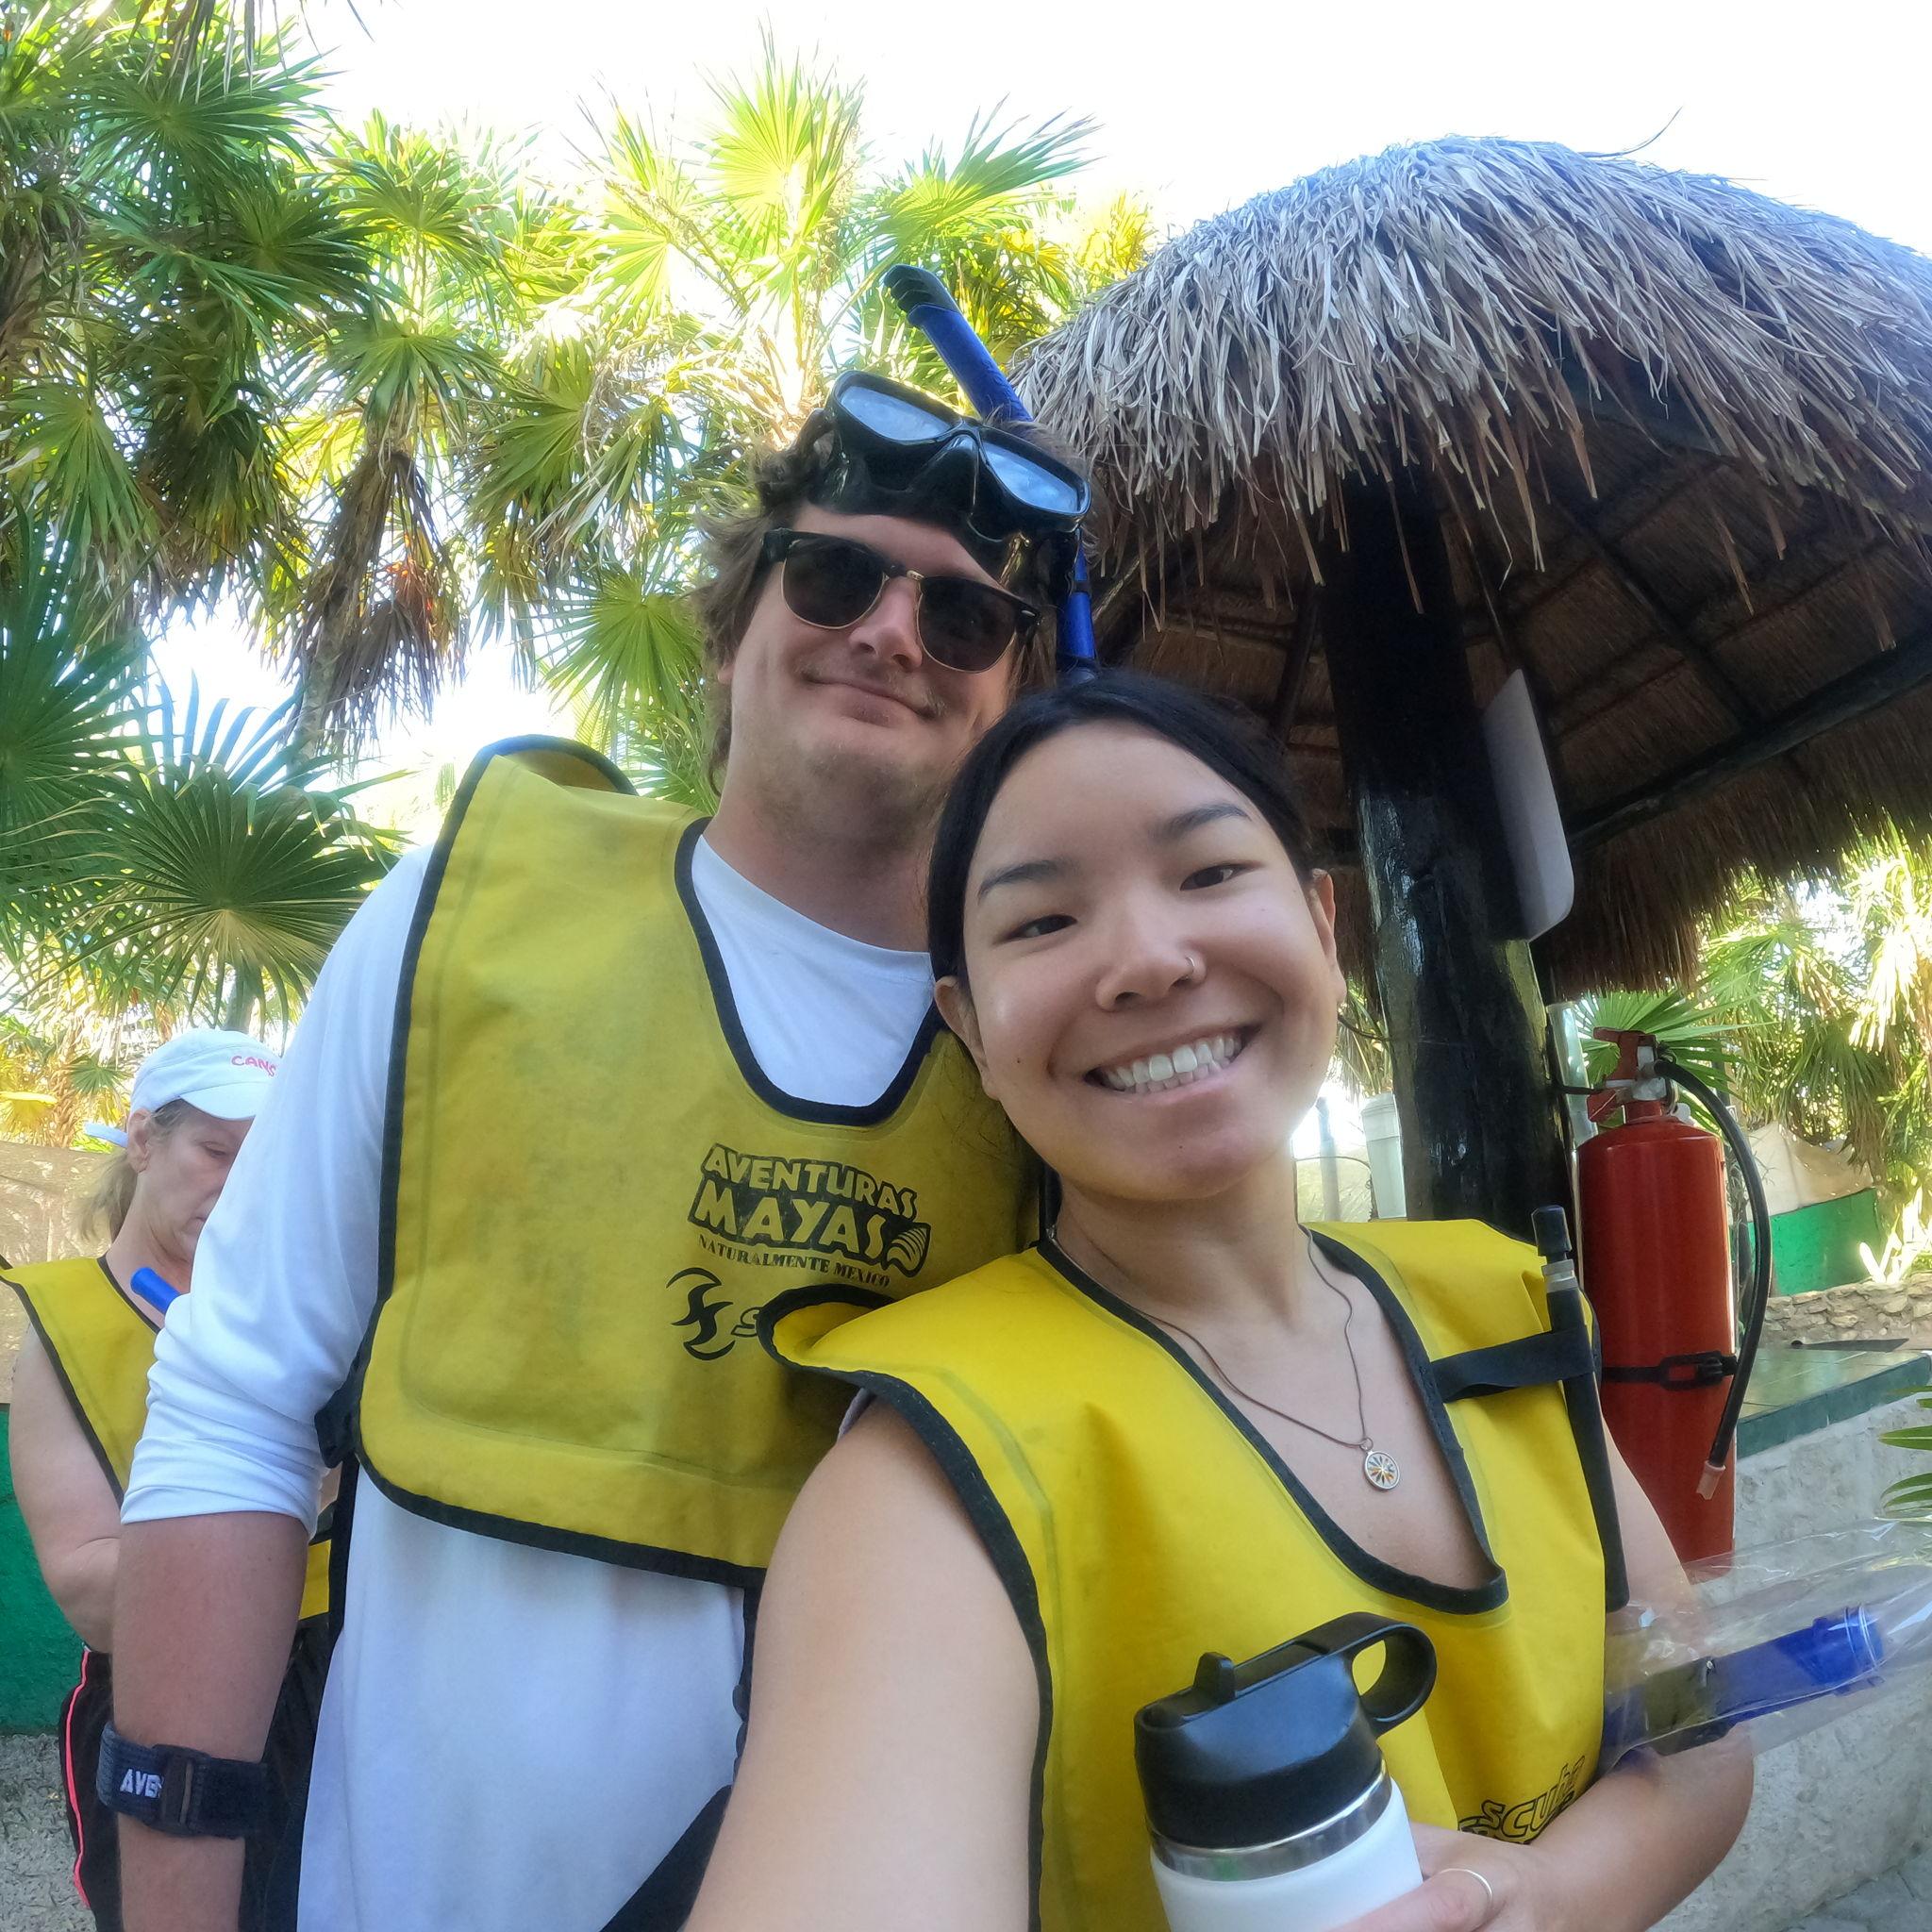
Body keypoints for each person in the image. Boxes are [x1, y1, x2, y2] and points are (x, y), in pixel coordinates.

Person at [108, 371, 1091, 1932]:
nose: (894, 634)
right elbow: (233, 1404)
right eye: (834, 575)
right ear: (731, 623)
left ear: (1013, 688)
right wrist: (176, 1876)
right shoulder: (463, 917)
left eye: (964, 619)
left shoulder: (1057, 1032)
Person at [686, 673, 1755, 1932]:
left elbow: (1698, 1727)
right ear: (968, 1026)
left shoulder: (1501, 1306)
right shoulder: (932, 1476)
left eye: (1206, 876)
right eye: (1041, 923)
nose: (1146, 961)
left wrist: (1538, 1894)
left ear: (1319, 924)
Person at [4, 1029, 332, 1932]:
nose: (237, 1181)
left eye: (262, 1159)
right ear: (144, 1141)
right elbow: (90, 1596)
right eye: (215, 1150)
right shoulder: (71, 1323)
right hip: (166, 1692)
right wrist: (293, 1497)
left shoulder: (319, 1319)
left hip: (344, 1681)